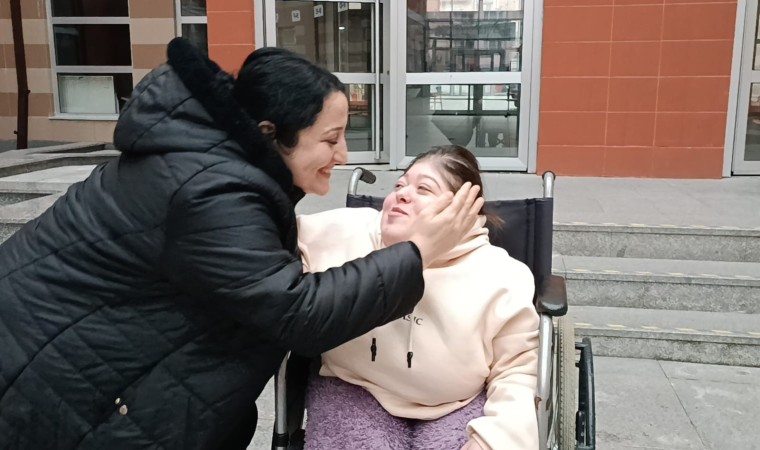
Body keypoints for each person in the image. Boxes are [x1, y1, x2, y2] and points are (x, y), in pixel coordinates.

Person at [0, 39, 483, 449]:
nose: (343, 154)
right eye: (330, 139)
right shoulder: (211, 190)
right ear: (270, 135)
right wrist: (416, 252)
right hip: (47, 372)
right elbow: (297, 313)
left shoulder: (213, 162)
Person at [298, 145, 540, 450]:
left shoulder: (502, 276)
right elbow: (272, 249)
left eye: (424, 189)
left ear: (464, 209)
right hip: (354, 386)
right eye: (399, 185)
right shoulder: (348, 230)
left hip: (455, 403)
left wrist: (495, 439)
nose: (402, 194)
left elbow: (517, 372)